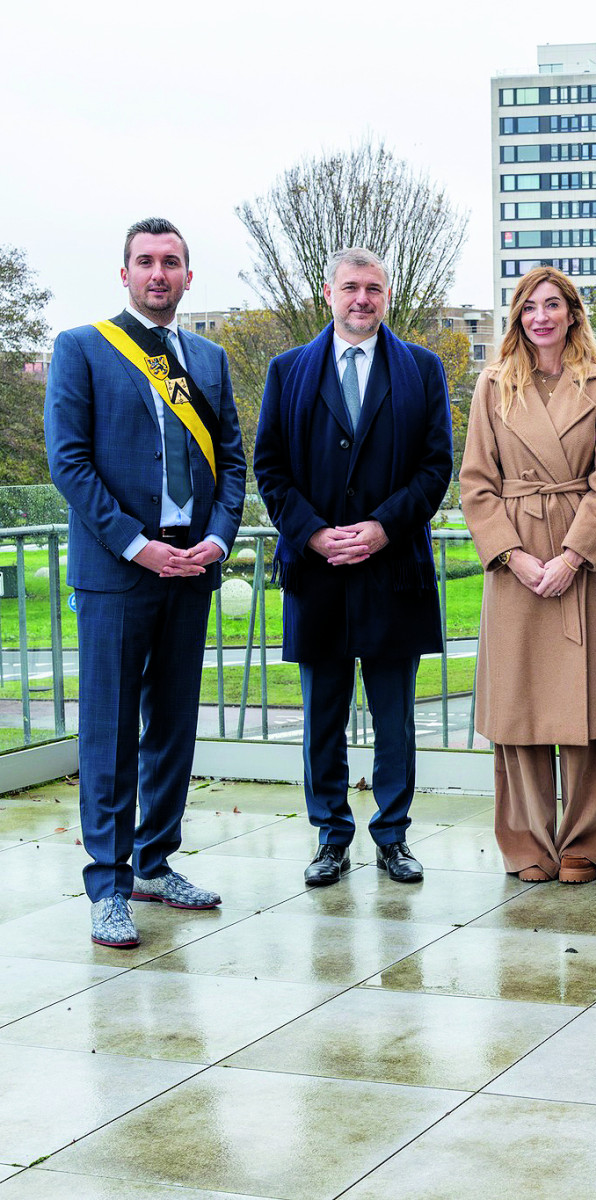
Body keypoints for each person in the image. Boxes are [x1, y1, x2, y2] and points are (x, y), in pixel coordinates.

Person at [44, 217, 247, 947]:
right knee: (108, 732)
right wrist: (136, 546)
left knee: (171, 728)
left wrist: (218, 539)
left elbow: (232, 462)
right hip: (117, 573)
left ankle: (157, 864)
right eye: (145, 262)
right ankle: (109, 882)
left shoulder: (210, 359)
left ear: (189, 277)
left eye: (171, 263)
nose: (158, 273)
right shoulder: (82, 349)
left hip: (190, 570)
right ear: (124, 273)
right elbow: (68, 463)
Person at [254, 248, 453, 888]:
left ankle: (392, 837)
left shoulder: (423, 370)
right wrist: (313, 535)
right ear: (328, 291)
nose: (361, 299)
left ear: (386, 295)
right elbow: (271, 469)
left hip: (394, 572)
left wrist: (382, 527)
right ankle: (330, 836)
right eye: (350, 288)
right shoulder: (287, 372)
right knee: (322, 717)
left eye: (373, 288)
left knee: (394, 718)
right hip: (317, 575)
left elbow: (435, 468)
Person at [459, 267, 596, 884]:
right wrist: (515, 556)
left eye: (552, 306)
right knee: (521, 710)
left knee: (591, 711)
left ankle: (586, 844)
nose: (541, 317)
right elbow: (475, 483)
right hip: (516, 562)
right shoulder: (492, 385)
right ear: (517, 318)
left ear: (572, 314)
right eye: (529, 308)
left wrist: (572, 556)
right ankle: (528, 845)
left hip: (579, 560)